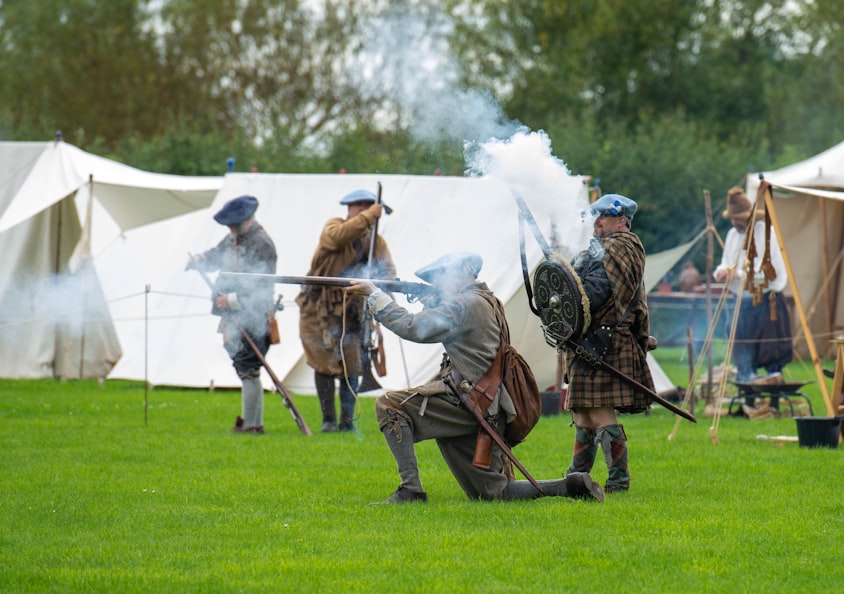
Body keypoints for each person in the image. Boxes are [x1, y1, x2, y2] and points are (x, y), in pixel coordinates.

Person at [349, 251, 604, 504]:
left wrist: (376, 297)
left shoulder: (463, 304)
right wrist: (433, 301)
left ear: (463, 272)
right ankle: (568, 486)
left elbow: (413, 327)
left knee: (389, 405)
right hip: (486, 406)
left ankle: (410, 490)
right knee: (493, 493)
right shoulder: (485, 299)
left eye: (442, 276)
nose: (438, 282)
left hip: (467, 401)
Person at [564, 194, 653, 494]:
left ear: (623, 221)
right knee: (583, 413)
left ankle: (618, 481)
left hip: (605, 341)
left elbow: (592, 293)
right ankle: (576, 476)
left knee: (601, 413)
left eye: (604, 216)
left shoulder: (622, 248)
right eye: (596, 216)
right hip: (586, 342)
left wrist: (569, 292)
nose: (598, 222)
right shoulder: (596, 251)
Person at [297, 189, 397, 433]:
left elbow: (387, 271)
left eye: (368, 205)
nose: (362, 209)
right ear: (349, 208)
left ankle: (346, 421)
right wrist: (368, 217)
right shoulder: (334, 226)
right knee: (322, 362)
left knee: (351, 366)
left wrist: (385, 289)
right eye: (359, 205)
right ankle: (328, 421)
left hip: (353, 310)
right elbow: (336, 238)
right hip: (318, 308)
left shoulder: (375, 241)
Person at [186, 195, 277, 434]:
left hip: (253, 316)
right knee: (245, 367)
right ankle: (253, 424)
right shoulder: (234, 238)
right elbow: (216, 256)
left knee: (249, 367)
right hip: (235, 316)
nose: (230, 229)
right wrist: (200, 261)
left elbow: (261, 288)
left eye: (233, 224)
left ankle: (251, 425)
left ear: (245, 220)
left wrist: (231, 300)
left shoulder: (262, 244)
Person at [712, 187, 793, 407]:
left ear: (748, 215)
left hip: (767, 301)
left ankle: (774, 402)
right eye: (733, 220)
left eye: (738, 219)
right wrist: (721, 271)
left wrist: (737, 273)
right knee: (743, 352)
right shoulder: (731, 235)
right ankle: (749, 401)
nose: (735, 224)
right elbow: (726, 261)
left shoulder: (767, 233)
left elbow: (768, 272)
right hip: (742, 302)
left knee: (771, 353)